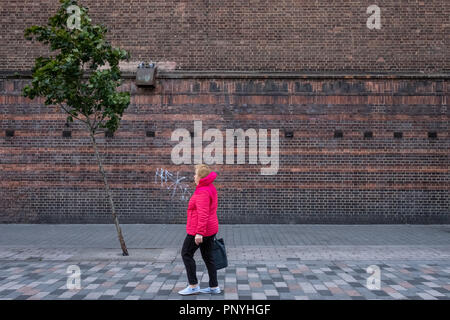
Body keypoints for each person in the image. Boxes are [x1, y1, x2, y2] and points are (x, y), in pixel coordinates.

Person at [178, 164, 220, 295]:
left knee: (186, 253)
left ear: (201, 177)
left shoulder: (202, 191)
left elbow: (203, 214)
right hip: (210, 228)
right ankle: (214, 287)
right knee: (208, 257)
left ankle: (193, 285)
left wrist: (199, 233)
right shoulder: (209, 187)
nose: (194, 176)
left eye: (196, 174)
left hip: (200, 230)